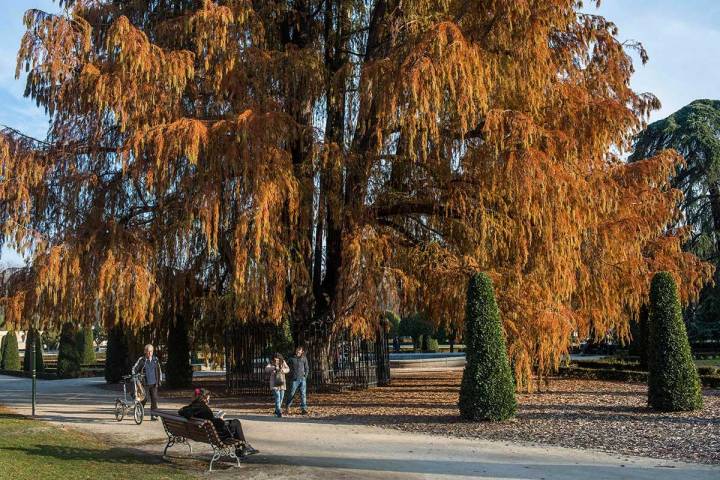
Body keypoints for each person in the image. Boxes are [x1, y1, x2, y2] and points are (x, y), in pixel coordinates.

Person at [178, 388, 259, 457]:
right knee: (236, 422)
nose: (209, 399)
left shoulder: (193, 406)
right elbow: (217, 424)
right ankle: (244, 447)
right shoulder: (203, 408)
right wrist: (220, 419)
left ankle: (242, 449)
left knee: (232, 423)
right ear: (204, 398)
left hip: (205, 433)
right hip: (217, 435)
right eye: (208, 398)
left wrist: (192, 417)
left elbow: (181, 411)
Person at [132, 344, 162, 421]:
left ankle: (154, 415)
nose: (149, 353)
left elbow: (159, 371)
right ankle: (139, 411)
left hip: (154, 383)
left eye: (151, 351)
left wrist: (159, 380)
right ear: (145, 351)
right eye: (148, 351)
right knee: (144, 399)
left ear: (153, 351)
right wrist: (135, 376)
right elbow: (134, 369)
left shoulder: (155, 360)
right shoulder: (142, 360)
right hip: (144, 384)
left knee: (154, 399)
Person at [284, 345, 309, 415]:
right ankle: (287, 407)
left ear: (302, 351)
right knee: (291, 394)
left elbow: (307, 368)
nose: (297, 351)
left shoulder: (304, 358)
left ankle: (304, 409)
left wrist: (305, 376)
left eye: (299, 350)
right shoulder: (292, 358)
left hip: (302, 379)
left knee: (303, 394)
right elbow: (286, 365)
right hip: (294, 379)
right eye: (297, 350)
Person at [264, 353, 289, 417]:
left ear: (280, 358)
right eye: (275, 359)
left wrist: (283, 370)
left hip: (281, 382)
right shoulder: (271, 363)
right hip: (274, 383)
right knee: (277, 397)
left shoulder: (283, 362)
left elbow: (288, 369)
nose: (276, 360)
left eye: (277, 359)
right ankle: (279, 412)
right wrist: (273, 368)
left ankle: (276, 410)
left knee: (281, 398)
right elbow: (266, 369)